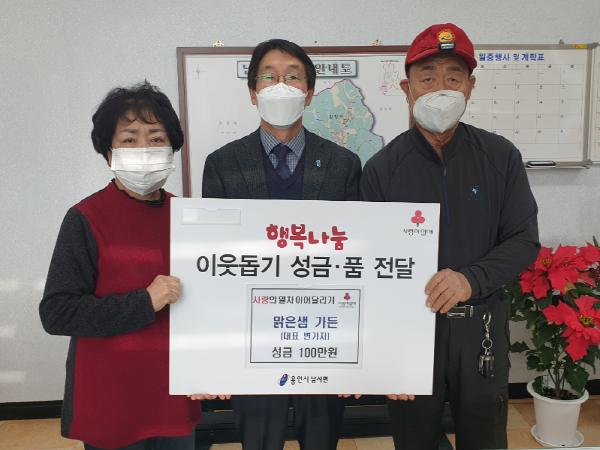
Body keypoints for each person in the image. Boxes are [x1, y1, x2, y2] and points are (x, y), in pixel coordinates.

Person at [360, 23, 540, 450]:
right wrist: (384, 351)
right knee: (414, 437)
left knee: (485, 437)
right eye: (427, 78)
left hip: (481, 328)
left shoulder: (500, 156)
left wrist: (470, 279)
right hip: (410, 329)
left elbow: (523, 239)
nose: (440, 89)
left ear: (470, 87)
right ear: (406, 88)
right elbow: (366, 261)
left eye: (453, 78)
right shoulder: (382, 169)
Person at [200, 38, 362, 450]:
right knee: (258, 441)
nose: (281, 86)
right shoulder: (222, 164)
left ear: (309, 93)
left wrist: (357, 353)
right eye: (269, 77)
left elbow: (357, 256)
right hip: (251, 333)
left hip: (323, 331)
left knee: (321, 438)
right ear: (252, 92)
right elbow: (215, 261)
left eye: (292, 77)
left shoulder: (343, 164)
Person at [39, 81, 201, 450]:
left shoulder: (190, 217)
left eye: (156, 139)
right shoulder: (85, 217)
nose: (144, 150)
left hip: (175, 394)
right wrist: (144, 302)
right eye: (129, 140)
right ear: (109, 153)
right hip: (111, 396)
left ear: (172, 148)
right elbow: (57, 313)